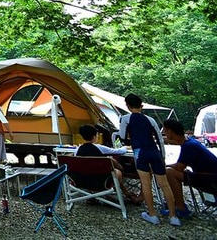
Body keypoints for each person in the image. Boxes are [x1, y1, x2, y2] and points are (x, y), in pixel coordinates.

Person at [119, 93, 179, 226]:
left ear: (128, 106)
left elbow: (123, 137)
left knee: (146, 183)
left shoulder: (125, 119)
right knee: (164, 184)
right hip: (154, 152)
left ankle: (152, 214)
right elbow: (159, 139)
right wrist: (162, 156)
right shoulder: (150, 120)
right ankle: (173, 216)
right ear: (141, 106)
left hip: (140, 152)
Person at [162, 118, 217, 218]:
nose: (165, 133)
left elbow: (179, 167)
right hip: (209, 176)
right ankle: (174, 202)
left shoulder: (189, 146)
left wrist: (163, 166)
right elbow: (176, 141)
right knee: (171, 171)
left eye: (165, 130)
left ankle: (180, 207)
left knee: (169, 172)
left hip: (211, 181)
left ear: (170, 131)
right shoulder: (189, 141)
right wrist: (160, 140)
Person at [75, 124, 141, 204]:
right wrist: (126, 147)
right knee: (117, 172)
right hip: (102, 180)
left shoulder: (77, 150)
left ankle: (91, 195)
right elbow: (118, 151)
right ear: (94, 136)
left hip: (83, 180)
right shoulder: (99, 148)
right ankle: (113, 193)